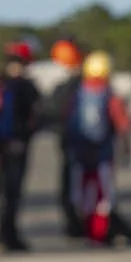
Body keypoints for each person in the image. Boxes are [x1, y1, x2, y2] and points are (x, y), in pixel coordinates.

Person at [63, 50, 131, 245]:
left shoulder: (78, 94)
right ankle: (101, 232)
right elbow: (123, 125)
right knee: (103, 196)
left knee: (83, 194)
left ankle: (89, 231)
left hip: (80, 154)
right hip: (103, 155)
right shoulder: (110, 95)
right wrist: (127, 151)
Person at [0, 39, 44, 252]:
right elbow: (38, 115)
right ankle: (9, 236)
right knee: (12, 192)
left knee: (1, 190)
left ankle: (2, 234)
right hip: (17, 145)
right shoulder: (24, 86)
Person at [44, 37, 86, 236]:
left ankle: (74, 225)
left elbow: (48, 112)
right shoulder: (84, 86)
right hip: (86, 145)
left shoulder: (63, 87)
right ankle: (82, 224)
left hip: (68, 143)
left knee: (69, 186)